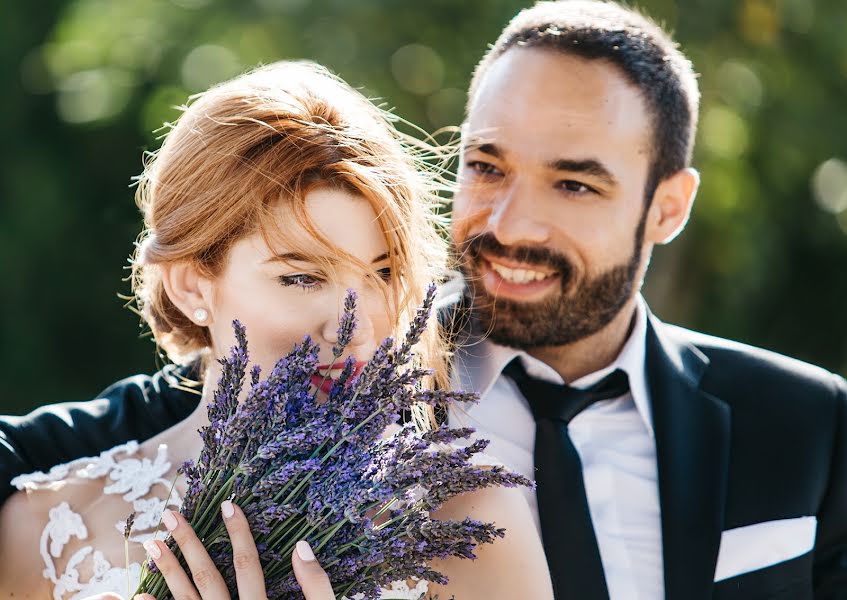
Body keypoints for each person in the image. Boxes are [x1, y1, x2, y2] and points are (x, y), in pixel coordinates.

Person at [2, 1, 846, 599]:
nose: (510, 222)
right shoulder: (83, 494)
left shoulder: (807, 426)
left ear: (667, 206)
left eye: (574, 185)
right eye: (485, 167)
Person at [0, 61, 552, 599]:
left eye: (382, 273)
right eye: (302, 277)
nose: (353, 326)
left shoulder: (462, 521)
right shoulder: (46, 532)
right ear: (192, 285)